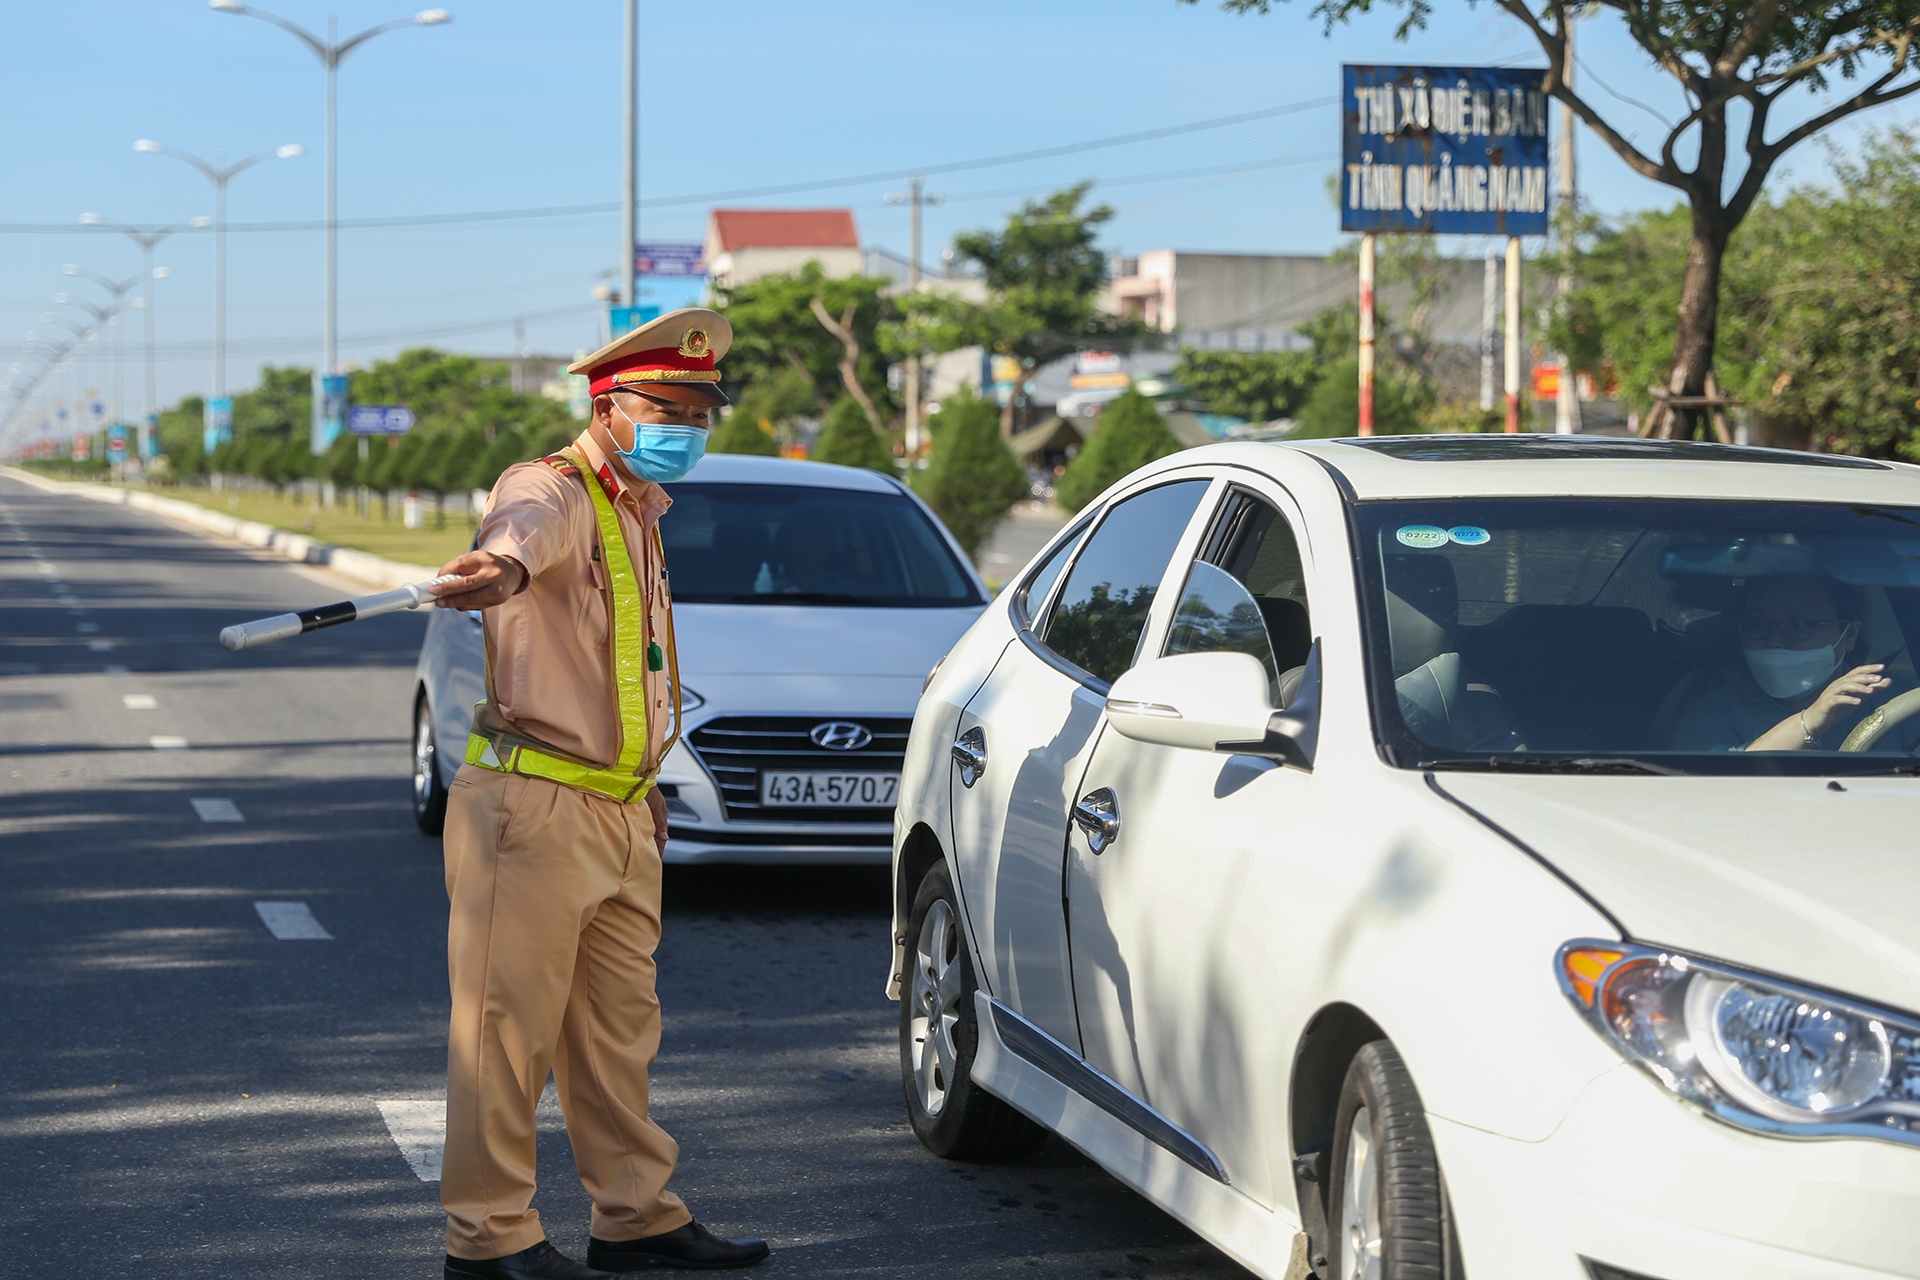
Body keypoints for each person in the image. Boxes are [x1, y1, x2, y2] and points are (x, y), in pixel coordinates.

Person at [426, 309, 770, 1279]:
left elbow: (632, 666)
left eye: (704, 410)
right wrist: (500, 565)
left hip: (619, 807)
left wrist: (645, 782)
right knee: (504, 1030)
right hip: (532, 807)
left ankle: (635, 1216)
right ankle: (489, 1239)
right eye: (671, 407)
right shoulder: (554, 487)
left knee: (617, 1031)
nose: (692, 426)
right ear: (611, 406)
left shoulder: (642, 507)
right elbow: (520, 535)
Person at [1669, 574, 1916, 753]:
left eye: (1799, 625)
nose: (1773, 641)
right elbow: (1711, 789)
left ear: (1849, 635)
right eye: (1757, 624)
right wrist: (1809, 721)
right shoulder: (1712, 712)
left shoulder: (1902, 699)